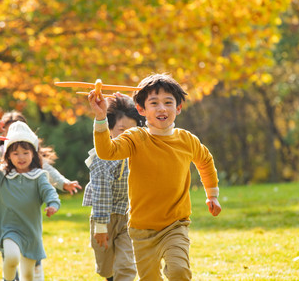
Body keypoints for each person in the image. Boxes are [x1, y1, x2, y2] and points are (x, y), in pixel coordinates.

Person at [88, 73, 222, 281]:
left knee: (179, 271)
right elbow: (107, 152)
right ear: (141, 109)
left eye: (168, 102)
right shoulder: (136, 138)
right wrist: (100, 118)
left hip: (175, 224)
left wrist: (212, 194)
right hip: (142, 229)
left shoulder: (187, 140)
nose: (162, 108)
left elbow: (205, 160)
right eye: (154, 103)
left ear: (178, 108)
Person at [0, 111, 81, 280]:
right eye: (6, 131)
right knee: (9, 255)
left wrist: (63, 183)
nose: (12, 134)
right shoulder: (5, 153)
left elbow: (48, 171)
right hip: (8, 213)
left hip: (28, 218)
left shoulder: (30, 157)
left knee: (31, 259)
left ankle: (35, 275)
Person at [0, 121, 61, 281]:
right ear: (8, 155)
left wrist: (52, 205)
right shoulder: (1, 176)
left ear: (33, 154)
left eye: (25, 153)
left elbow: (49, 192)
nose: (21, 157)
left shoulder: (39, 176)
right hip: (9, 228)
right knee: (12, 257)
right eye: (15, 153)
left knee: (28, 275)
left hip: (31, 231)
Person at [83, 94, 144, 281]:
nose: (128, 136)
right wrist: (101, 226)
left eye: (133, 130)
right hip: (105, 217)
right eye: (122, 130)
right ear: (109, 129)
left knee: (126, 264)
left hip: (129, 217)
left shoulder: (139, 152)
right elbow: (101, 191)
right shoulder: (104, 157)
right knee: (106, 268)